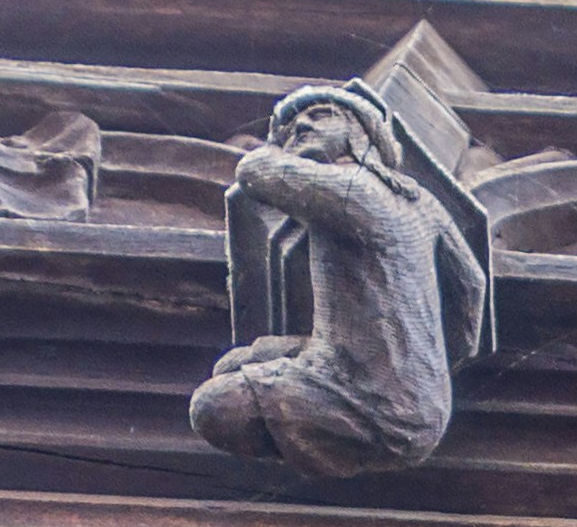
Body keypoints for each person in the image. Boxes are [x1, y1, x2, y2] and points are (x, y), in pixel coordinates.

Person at [191, 84, 461, 482]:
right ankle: (317, 369)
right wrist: (426, 360)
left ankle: (305, 458)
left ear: (360, 135)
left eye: (320, 116)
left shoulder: (353, 187)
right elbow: (470, 287)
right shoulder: (424, 203)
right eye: (290, 128)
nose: (301, 126)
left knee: (213, 406)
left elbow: (254, 172)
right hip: (421, 404)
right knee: (235, 362)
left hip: (373, 406)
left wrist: (273, 146)